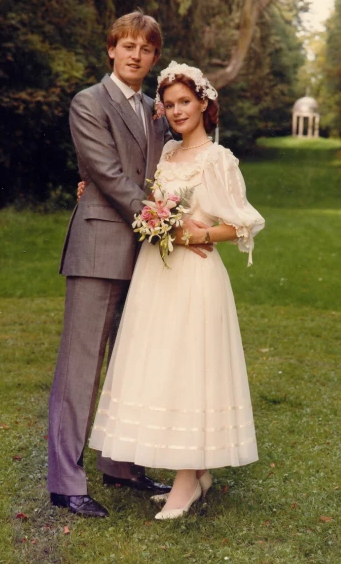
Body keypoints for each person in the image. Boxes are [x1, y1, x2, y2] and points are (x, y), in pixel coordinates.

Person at [88, 61, 265, 520]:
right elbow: (129, 185)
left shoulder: (218, 159)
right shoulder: (164, 153)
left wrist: (198, 235)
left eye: (185, 102)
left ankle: (188, 481)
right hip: (156, 273)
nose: (176, 111)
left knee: (191, 370)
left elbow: (242, 223)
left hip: (194, 277)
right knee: (163, 366)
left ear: (204, 104)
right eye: (168, 105)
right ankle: (195, 473)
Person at [47, 12, 176, 518]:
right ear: (110, 50)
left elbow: (180, 160)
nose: (135, 55)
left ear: (154, 57)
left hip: (146, 256)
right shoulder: (88, 102)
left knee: (131, 364)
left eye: (145, 48)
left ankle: (120, 465)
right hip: (101, 247)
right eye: (126, 46)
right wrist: (159, 218)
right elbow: (106, 171)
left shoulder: (157, 109)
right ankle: (65, 481)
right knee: (81, 368)